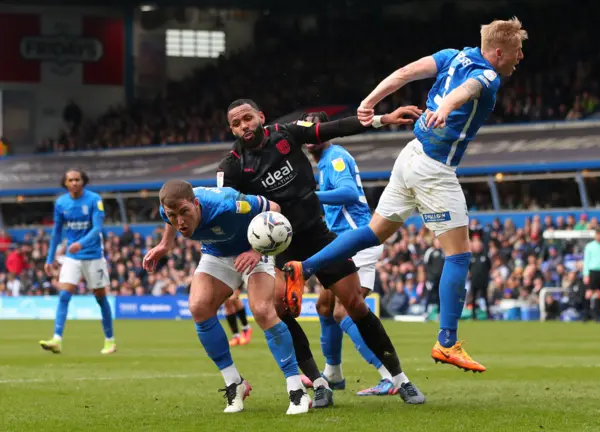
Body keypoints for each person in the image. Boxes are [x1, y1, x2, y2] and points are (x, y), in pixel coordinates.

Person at [286, 17, 529, 373]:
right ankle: (447, 342)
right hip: (434, 168)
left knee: (374, 233)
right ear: (497, 52)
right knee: (459, 256)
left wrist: (368, 103)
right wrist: (445, 110)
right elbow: (470, 90)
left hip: (411, 154)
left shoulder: (452, 55)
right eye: (517, 51)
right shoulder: (489, 74)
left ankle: (303, 267)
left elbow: (404, 73)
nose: (520, 56)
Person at [218, 99, 425, 405]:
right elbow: (229, 208)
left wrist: (384, 119)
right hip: (282, 248)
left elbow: (336, 127)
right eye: (236, 124)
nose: (243, 126)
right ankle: (319, 382)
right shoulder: (232, 166)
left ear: (260, 117)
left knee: (354, 304)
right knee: (280, 311)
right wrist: (248, 247)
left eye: (247, 118)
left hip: (319, 237)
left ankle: (400, 379)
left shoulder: (287, 134)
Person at [142, 180, 310, 414]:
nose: (179, 221)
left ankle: (297, 390)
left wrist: (256, 251)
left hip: (252, 251)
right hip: (216, 254)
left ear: (196, 203)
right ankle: (234, 383)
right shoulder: (167, 210)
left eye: (185, 212)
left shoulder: (228, 204)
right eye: (172, 215)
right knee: (199, 307)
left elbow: (274, 208)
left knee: (262, 310)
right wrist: (165, 244)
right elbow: (169, 221)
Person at [298, 111, 396, 396]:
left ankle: (389, 374)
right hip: (339, 242)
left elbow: (350, 193)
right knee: (324, 308)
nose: (312, 135)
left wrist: (311, 196)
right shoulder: (323, 163)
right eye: (308, 130)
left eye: (317, 128)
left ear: (325, 132)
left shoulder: (335, 158)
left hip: (356, 240)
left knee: (344, 311)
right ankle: (334, 374)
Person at [39, 169, 115, 355]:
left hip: (93, 255)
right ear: (65, 183)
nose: (74, 183)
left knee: (100, 297)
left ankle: (109, 341)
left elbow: (97, 228)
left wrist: (80, 244)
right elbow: (57, 232)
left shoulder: (94, 199)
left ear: (83, 181)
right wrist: (49, 258)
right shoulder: (61, 202)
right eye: (70, 180)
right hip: (73, 257)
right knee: (64, 295)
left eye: (77, 180)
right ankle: (57, 339)